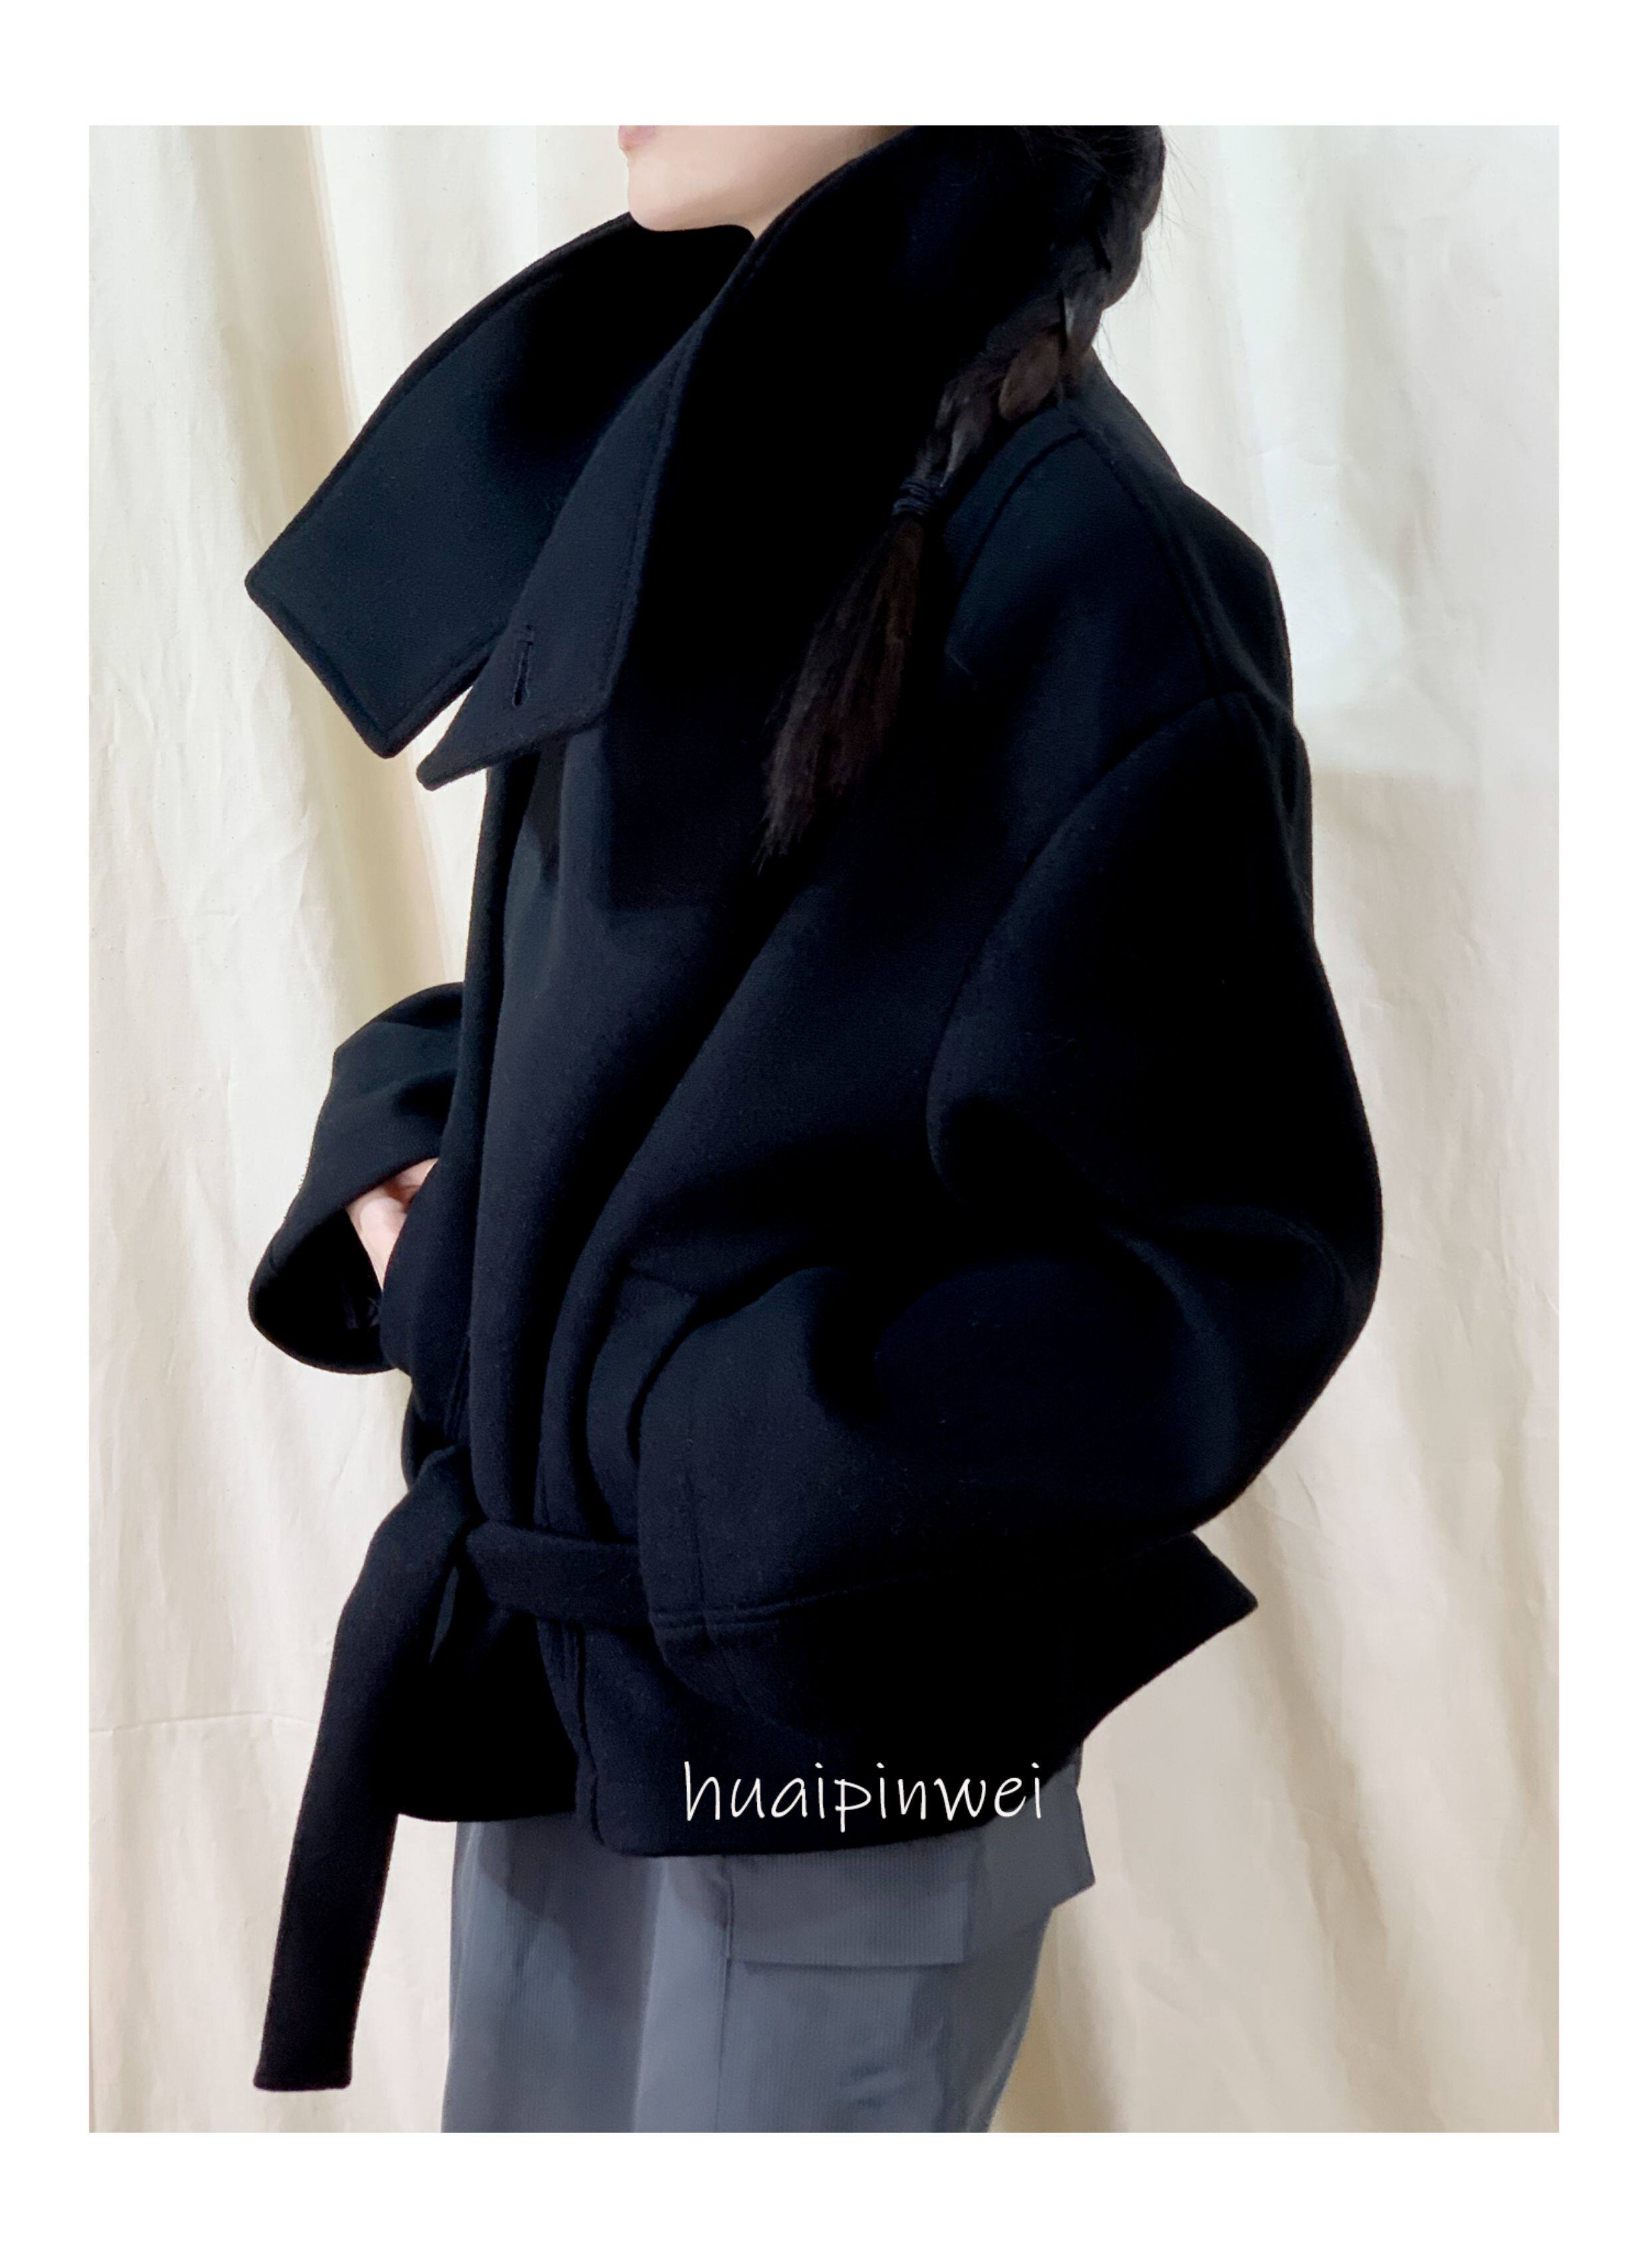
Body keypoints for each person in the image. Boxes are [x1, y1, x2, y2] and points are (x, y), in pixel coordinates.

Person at [243, 125, 1382, 2131]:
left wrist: (694, 1446)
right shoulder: (709, 464)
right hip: (567, 1685)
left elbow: (1234, 1251)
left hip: (839, 1744)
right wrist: (422, 1161)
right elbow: (649, 1047)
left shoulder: (1100, 573)